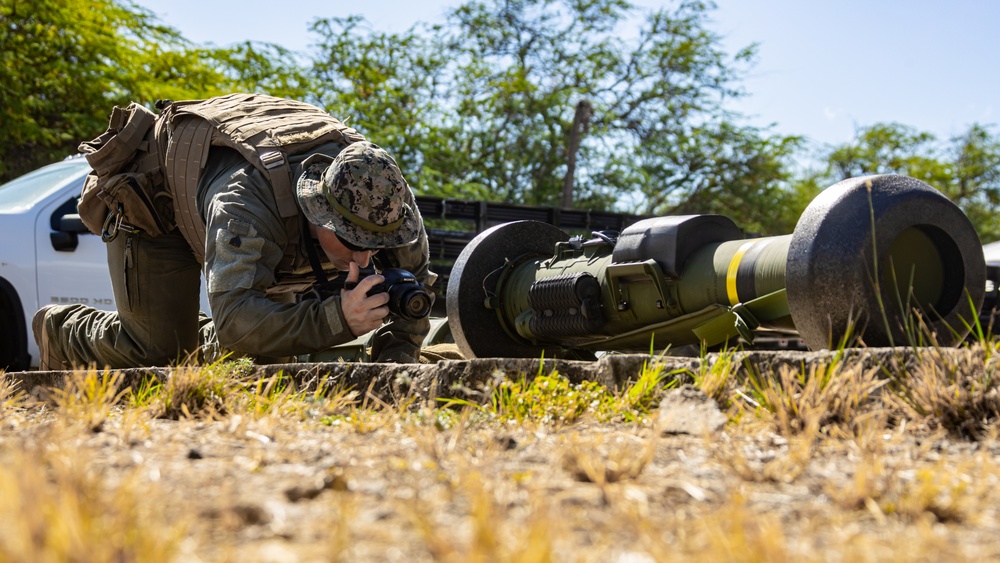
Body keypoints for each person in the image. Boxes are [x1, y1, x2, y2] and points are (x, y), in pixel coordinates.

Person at [33, 94, 435, 370]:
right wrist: (338, 319)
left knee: (267, 361)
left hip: (230, 197)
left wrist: (396, 361)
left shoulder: (385, 202)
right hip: (158, 199)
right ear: (319, 213)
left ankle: (196, 336)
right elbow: (238, 320)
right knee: (161, 351)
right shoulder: (246, 207)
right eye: (352, 243)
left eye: (377, 245)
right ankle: (60, 329)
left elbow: (415, 285)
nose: (365, 259)